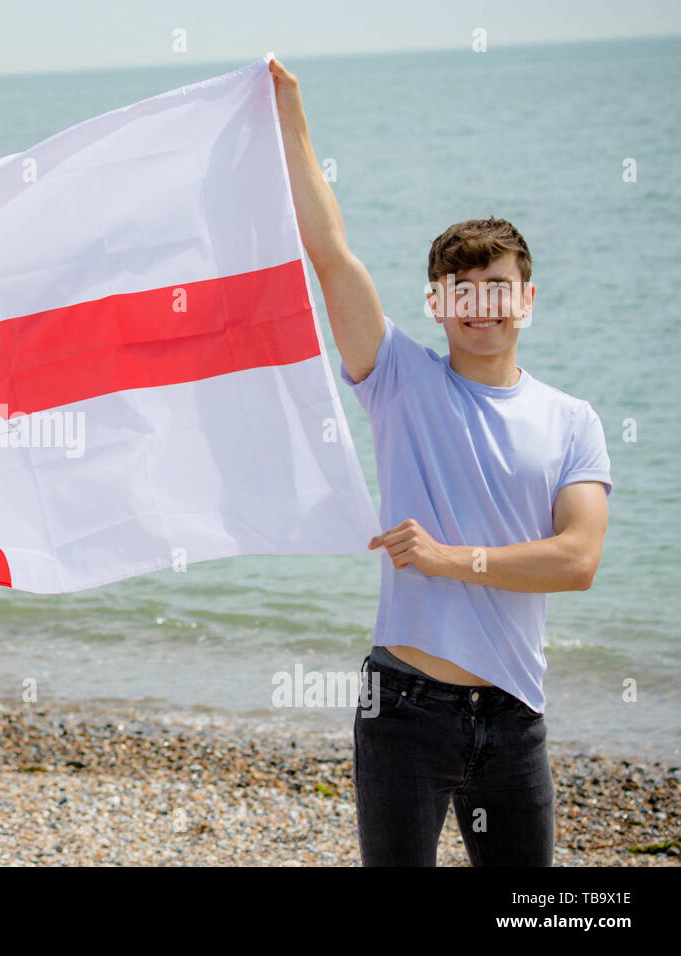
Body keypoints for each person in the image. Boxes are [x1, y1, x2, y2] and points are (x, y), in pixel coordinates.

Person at [268, 56, 612, 866]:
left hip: (515, 714)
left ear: (525, 299)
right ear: (437, 304)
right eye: (460, 290)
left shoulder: (573, 420)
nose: (480, 305)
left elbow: (579, 560)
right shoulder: (399, 380)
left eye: (497, 287)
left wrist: (446, 558)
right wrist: (289, 115)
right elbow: (330, 253)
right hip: (406, 709)